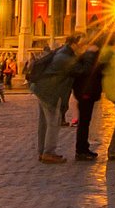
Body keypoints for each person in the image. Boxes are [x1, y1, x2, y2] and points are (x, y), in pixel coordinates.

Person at [30, 34, 80, 163]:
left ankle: (42, 151)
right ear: (74, 44)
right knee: (53, 122)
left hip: (41, 89)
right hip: (49, 92)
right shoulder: (65, 58)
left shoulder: (61, 52)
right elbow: (79, 70)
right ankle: (49, 152)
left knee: (44, 123)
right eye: (82, 44)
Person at [71, 41, 104, 161]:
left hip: (85, 93)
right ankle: (81, 150)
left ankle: (84, 148)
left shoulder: (86, 56)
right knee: (84, 123)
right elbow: (89, 74)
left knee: (85, 122)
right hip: (86, 94)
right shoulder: (89, 57)